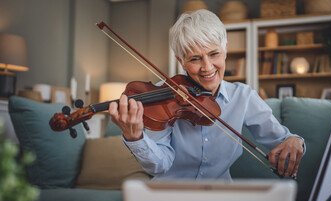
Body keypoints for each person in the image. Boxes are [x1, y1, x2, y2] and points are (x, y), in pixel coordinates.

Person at [109, 9, 305, 179]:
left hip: (220, 195)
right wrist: (135, 138)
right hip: (171, 196)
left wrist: (294, 141)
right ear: (181, 61)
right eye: (195, 59)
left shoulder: (243, 97)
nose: (207, 67)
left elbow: (282, 140)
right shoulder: (162, 97)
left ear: (225, 50)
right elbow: (160, 166)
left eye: (214, 54)